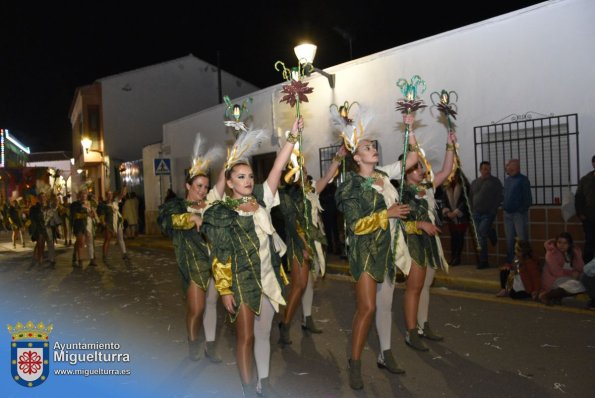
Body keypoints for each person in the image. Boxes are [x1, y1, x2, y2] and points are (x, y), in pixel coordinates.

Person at [202, 118, 301, 397]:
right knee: (244, 338)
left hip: (268, 280)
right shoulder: (223, 212)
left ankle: (264, 383)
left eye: (249, 176)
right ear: (230, 182)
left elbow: (277, 168)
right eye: (241, 177)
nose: (248, 181)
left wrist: (292, 138)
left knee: (263, 334)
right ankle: (247, 389)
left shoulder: (262, 199)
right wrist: (224, 290)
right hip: (241, 283)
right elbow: (220, 257)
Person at [335, 114, 418, 390]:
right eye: (367, 147)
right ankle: (355, 362)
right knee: (367, 308)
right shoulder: (351, 186)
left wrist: (410, 128)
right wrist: (388, 213)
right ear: (356, 158)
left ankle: (386, 353)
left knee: (384, 305)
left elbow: (412, 160)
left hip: (389, 249)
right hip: (365, 252)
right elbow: (356, 226)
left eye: (374, 146)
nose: (373, 149)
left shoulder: (383, 175)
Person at [157, 134, 225, 363]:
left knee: (212, 306)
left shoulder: (211, 205)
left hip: (214, 263)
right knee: (196, 309)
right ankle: (192, 340)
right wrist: (191, 218)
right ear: (188, 185)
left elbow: (223, 188)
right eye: (198, 186)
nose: (202, 191)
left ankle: (210, 347)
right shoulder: (176, 206)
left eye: (205, 187)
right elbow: (166, 222)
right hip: (194, 266)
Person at [277, 145, 347, 344]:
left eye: (305, 170)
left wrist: (338, 158)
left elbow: (327, 177)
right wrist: (304, 246)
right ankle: (285, 324)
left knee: (309, 283)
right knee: (299, 285)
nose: (305, 173)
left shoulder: (310, 190)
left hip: (315, 240)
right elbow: (291, 225)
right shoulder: (288, 197)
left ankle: (306, 319)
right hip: (299, 243)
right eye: (301, 171)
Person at [401, 128, 457, 353]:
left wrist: (450, 144)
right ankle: (411, 331)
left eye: (422, 166)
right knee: (413, 288)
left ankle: (423, 325)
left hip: (430, 244)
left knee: (425, 287)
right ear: (407, 171)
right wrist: (420, 225)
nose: (423, 170)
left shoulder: (427, 188)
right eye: (418, 167)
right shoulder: (400, 193)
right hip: (413, 244)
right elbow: (397, 225)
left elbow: (446, 170)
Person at [470, 161, 503, 269]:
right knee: (480, 236)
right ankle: (490, 231)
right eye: (484, 168)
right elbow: (470, 196)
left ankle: (483, 261)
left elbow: (499, 196)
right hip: (475, 213)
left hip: (488, 213)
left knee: (481, 233)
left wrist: (493, 209)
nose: (486, 171)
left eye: (488, 168)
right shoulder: (474, 182)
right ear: (480, 170)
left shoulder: (495, 182)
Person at [539, 232, 585, 305]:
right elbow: (556, 272)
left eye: (565, 243)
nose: (562, 245)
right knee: (577, 285)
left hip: (567, 280)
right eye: (559, 242)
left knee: (578, 286)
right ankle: (547, 295)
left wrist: (577, 255)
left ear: (569, 244)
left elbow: (581, 268)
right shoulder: (551, 253)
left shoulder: (571, 253)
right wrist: (572, 273)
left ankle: (556, 296)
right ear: (556, 242)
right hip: (553, 280)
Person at [502, 159, 532, 268]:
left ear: (517, 168)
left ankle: (524, 262)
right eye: (509, 168)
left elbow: (528, 199)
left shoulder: (523, 180)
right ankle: (510, 261)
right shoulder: (507, 180)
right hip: (507, 214)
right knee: (509, 239)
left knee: (522, 239)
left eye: (512, 168)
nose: (509, 169)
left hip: (518, 214)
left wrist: (520, 210)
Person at [440, 169, 471, 266]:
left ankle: (457, 257)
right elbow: (443, 201)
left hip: (461, 216)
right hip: (451, 217)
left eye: (453, 175)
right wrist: (447, 211)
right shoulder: (447, 187)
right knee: (453, 237)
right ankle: (453, 257)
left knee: (459, 237)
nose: (452, 177)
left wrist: (456, 212)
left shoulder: (464, 186)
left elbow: (465, 201)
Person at [98, 188, 129, 261]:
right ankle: (104, 256)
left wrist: (124, 190)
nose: (110, 196)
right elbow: (101, 214)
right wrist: (103, 222)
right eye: (108, 194)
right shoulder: (103, 205)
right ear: (106, 196)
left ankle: (124, 254)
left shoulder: (115, 202)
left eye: (111, 194)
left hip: (118, 222)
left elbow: (121, 196)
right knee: (107, 239)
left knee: (120, 238)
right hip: (109, 223)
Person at [575, 154, 595, 263]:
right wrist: (580, 213)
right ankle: (588, 268)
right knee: (590, 242)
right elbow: (578, 197)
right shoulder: (585, 179)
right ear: (593, 164)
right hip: (589, 217)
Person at [70, 190, 88, 268]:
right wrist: (85, 214)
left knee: (79, 242)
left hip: (85, 225)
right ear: (79, 196)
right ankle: (80, 260)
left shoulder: (88, 204)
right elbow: (74, 215)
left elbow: (92, 214)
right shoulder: (75, 204)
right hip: (77, 225)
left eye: (85, 194)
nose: (84, 196)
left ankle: (74, 256)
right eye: (82, 194)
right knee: (81, 242)